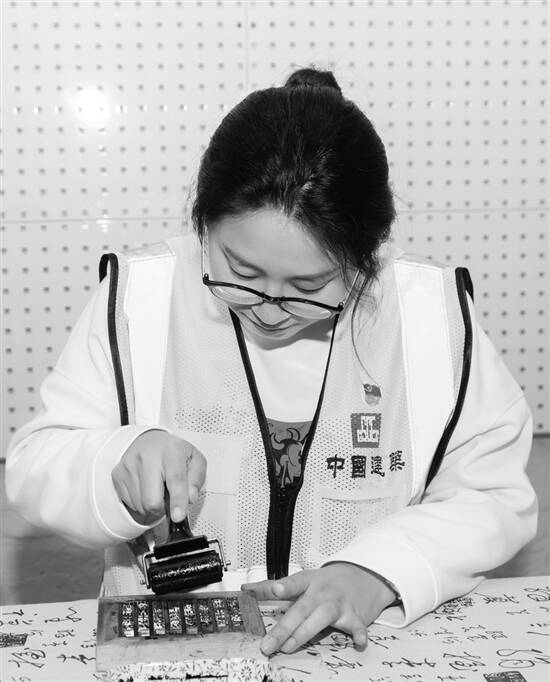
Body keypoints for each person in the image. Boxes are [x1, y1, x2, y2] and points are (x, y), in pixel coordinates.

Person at [6, 68, 537, 656]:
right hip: (178, 649)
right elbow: (34, 466)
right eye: (241, 271)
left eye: (309, 285)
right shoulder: (140, 298)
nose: (270, 308)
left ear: (370, 255)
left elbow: (493, 497)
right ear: (202, 221)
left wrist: (379, 571)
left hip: (362, 652)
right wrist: (115, 460)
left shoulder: (429, 313)